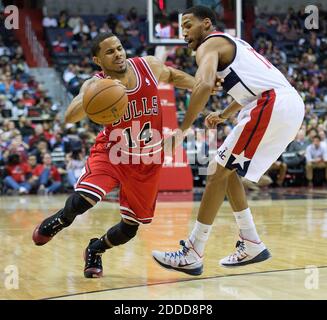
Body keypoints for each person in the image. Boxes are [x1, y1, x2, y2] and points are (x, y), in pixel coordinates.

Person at [32, 32, 220, 278]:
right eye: (110, 51)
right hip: (113, 152)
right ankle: (60, 221)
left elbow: (172, 75)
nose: (118, 54)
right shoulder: (94, 83)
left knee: (130, 228)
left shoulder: (147, 65)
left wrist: (201, 84)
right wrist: (98, 92)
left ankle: (95, 249)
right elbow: (70, 116)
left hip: (148, 159)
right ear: (98, 60)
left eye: (119, 48)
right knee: (85, 199)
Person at [152, 6, 305, 275]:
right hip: (280, 103)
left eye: (188, 25)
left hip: (272, 103)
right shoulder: (235, 45)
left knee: (216, 172)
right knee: (226, 170)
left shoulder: (208, 46)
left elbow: (203, 84)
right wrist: (224, 114)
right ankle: (251, 242)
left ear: (207, 24)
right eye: (181, 28)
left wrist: (181, 130)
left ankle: (193, 251)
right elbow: (251, 86)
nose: (184, 33)